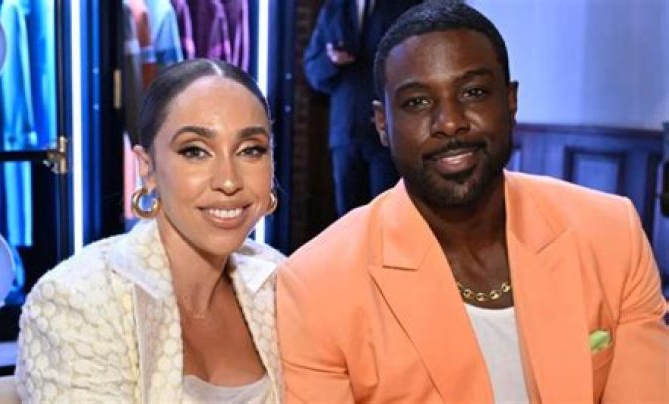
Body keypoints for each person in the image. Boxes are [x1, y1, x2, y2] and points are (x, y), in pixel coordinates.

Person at [277, 1, 669, 402]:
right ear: (383, 124)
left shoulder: (611, 233)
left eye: (474, 92)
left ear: (510, 101)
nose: (450, 122)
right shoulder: (318, 285)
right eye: (417, 102)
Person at [15, 59, 285, 403]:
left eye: (251, 150)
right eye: (195, 151)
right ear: (148, 168)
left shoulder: (279, 282)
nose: (229, 181)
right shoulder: (78, 299)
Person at [303, 0, 421, 217]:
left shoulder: (404, 6)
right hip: (345, 131)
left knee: (388, 215)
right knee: (348, 218)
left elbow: (419, 65)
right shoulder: (334, 9)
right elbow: (312, 71)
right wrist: (331, 61)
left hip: (387, 132)